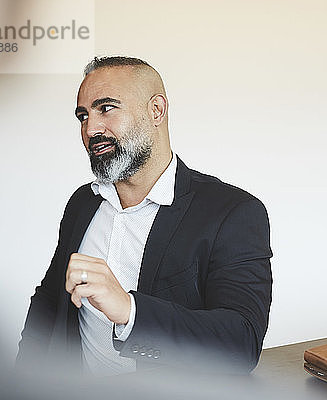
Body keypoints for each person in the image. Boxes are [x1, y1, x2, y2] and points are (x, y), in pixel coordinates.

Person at [16, 56, 272, 376]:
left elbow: (241, 343)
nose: (90, 128)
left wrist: (129, 311)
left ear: (156, 110)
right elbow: (50, 299)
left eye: (106, 108)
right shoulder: (83, 203)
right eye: (83, 115)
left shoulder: (232, 213)